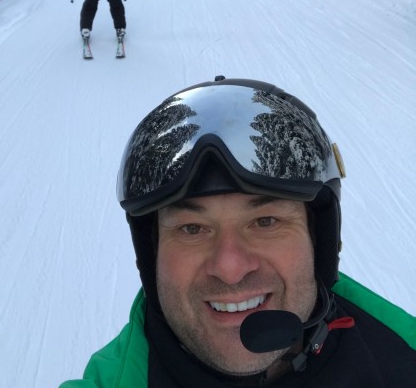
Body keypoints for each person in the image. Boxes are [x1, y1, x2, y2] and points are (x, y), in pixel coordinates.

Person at [59, 77, 416, 387]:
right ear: (152, 253)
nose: (230, 268)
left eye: (265, 222)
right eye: (192, 228)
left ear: (318, 237)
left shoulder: (402, 358)